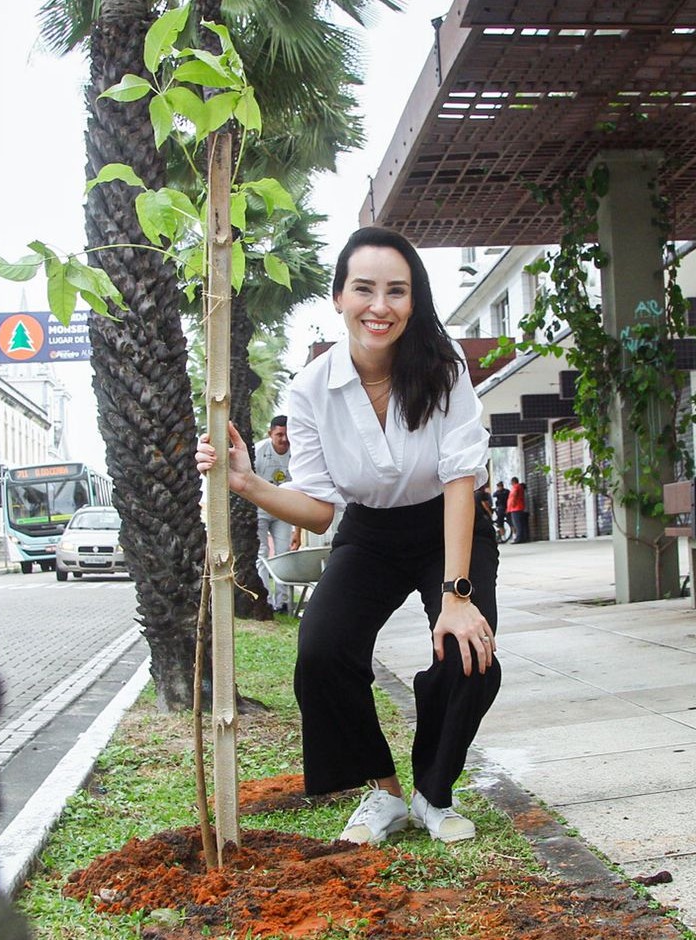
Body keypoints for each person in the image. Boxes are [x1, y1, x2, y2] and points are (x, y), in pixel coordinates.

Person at [197, 226, 500, 846]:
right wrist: (247, 483)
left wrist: (458, 595)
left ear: (414, 302)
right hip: (369, 530)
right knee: (322, 650)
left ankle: (433, 793)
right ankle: (384, 794)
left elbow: (461, 479)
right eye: (364, 289)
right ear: (339, 297)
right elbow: (317, 511)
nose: (379, 306)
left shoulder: (443, 368)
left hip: (447, 518)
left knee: (470, 653)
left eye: (397, 291)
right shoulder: (310, 390)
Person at [253, 414, 298, 612]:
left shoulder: (297, 454)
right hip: (259, 509)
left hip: (284, 510)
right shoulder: (258, 451)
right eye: (279, 434)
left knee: (283, 554)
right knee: (261, 554)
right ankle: (266, 601)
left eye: (287, 435)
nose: (284, 439)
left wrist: (299, 530)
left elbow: (301, 491)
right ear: (270, 433)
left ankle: (283, 602)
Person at [507, 476, 528, 544]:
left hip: (515, 508)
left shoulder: (516, 487)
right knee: (520, 524)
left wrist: (511, 505)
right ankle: (523, 537)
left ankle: (518, 538)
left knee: (517, 524)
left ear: (513, 482)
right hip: (519, 507)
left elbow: (514, 496)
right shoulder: (520, 487)